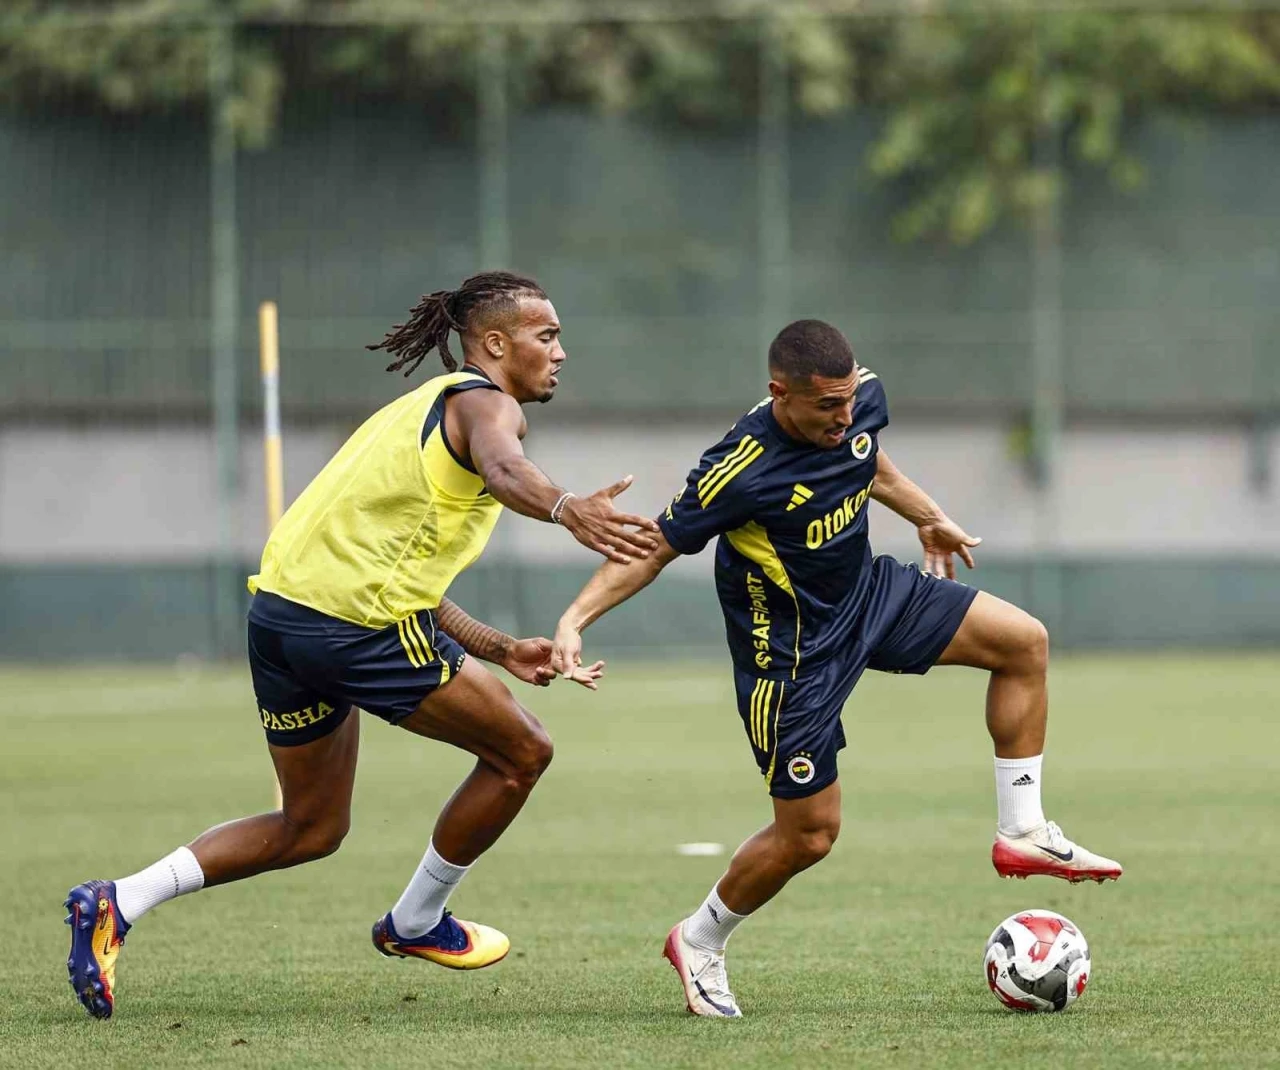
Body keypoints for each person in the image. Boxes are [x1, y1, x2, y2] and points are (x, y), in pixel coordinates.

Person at [63, 271, 661, 1020]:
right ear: (495, 343)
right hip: (352, 628)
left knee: (311, 827)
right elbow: (507, 470)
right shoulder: (488, 405)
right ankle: (416, 921)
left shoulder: (419, 410)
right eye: (547, 336)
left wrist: (497, 645)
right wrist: (568, 507)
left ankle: (118, 900)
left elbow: (397, 571)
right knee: (522, 753)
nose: (561, 352)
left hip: (282, 621)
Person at [550, 319, 1122, 1019]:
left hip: (870, 596)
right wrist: (574, 619)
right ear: (780, 393)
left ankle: (1022, 829)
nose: (845, 415)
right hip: (791, 659)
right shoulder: (738, 470)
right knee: (810, 835)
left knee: (1023, 643)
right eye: (827, 405)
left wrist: (928, 515)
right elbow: (655, 549)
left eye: (850, 399)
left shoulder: (858, 400)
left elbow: (868, 460)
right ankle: (698, 939)